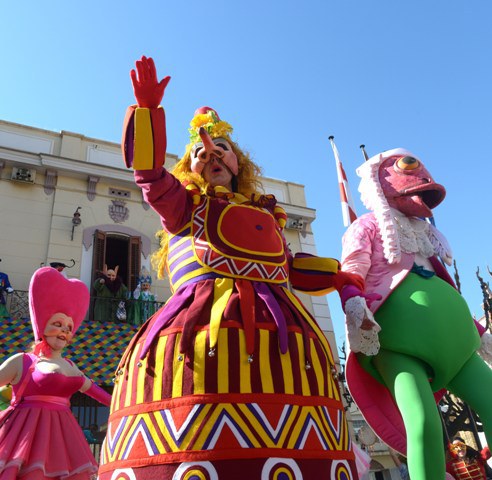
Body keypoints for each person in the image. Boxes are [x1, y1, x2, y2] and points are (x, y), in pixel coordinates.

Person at [98, 56, 361, 480]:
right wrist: (147, 111)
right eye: (199, 153)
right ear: (189, 168)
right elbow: (148, 173)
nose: (211, 154)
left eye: (221, 148)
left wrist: (338, 275)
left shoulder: (268, 216)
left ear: (239, 163)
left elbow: (290, 267)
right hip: (198, 338)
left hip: (285, 343)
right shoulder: (184, 206)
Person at [339, 148, 492, 479]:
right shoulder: (366, 227)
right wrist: (354, 303)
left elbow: (445, 285)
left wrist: (479, 332)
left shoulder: (425, 235)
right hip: (399, 343)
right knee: (423, 424)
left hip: (458, 342)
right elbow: (351, 270)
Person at [0, 266, 112, 480]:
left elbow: (100, 394)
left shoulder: (71, 365)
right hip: (25, 437)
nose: (64, 331)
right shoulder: (23, 361)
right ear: (43, 325)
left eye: (69, 328)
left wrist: (125, 406)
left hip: (63, 440)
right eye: (58, 324)